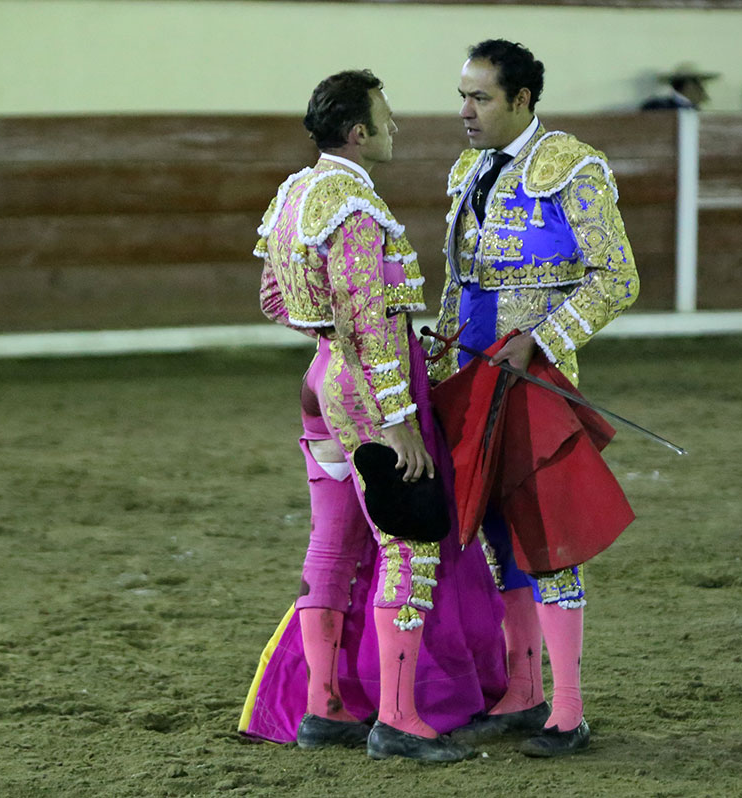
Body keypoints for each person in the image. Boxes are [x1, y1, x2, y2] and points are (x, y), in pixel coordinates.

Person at [238, 69, 506, 763]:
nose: (398, 128)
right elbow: (369, 325)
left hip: (321, 381)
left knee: (331, 545)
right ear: (359, 132)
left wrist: (325, 351)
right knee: (407, 546)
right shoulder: (355, 208)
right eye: (387, 118)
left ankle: (324, 709)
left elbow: (277, 297)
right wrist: (397, 420)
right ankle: (397, 718)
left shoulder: (295, 193)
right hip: (367, 397)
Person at [428, 39, 640, 757]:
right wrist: (441, 346)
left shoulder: (572, 167)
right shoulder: (468, 169)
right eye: (463, 95)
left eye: (480, 97)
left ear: (521, 99)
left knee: (545, 536)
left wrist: (543, 338)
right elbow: (460, 280)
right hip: (471, 366)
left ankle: (570, 711)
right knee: (493, 530)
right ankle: (523, 692)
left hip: (532, 377)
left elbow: (616, 277)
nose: (465, 110)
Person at [641, 62, 719, 110]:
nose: (703, 89)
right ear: (690, 86)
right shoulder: (657, 106)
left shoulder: (694, 108)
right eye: (699, 84)